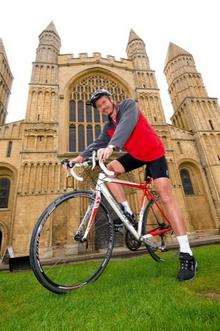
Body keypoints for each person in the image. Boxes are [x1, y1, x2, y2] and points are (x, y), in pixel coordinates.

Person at [70, 89, 197, 281]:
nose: (103, 107)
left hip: (154, 154)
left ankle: (187, 254)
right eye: (99, 106)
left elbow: (127, 125)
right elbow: (97, 144)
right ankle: (127, 211)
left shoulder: (128, 106)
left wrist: (112, 146)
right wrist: (78, 158)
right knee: (110, 169)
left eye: (104, 102)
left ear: (111, 100)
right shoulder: (108, 127)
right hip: (137, 156)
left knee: (166, 197)